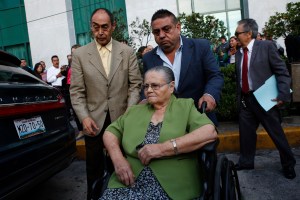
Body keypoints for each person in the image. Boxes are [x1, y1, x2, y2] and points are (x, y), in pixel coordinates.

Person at [100, 66, 217, 200]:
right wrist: (118, 160)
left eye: (155, 86)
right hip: (128, 181)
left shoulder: (185, 106)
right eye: (146, 86)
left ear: (171, 86)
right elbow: (110, 132)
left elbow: (209, 131)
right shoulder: (135, 110)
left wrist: (163, 148)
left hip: (173, 183)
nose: (149, 90)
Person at [69, 8, 142, 200]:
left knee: (121, 165)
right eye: (95, 27)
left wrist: (130, 113)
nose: (100, 32)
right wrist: (84, 117)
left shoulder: (127, 52)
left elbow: (135, 85)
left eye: (104, 27)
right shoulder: (80, 55)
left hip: (122, 120)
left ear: (113, 27)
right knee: (94, 168)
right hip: (93, 122)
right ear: (91, 28)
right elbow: (76, 91)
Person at [233, 18, 296, 179]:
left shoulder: (266, 46)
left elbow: (281, 71)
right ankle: (246, 161)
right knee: (246, 134)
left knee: (276, 134)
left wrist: (283, 94)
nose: (235, 36)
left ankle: (288, 164)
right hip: (246, 100)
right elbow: (240, 77)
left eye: (237, 33)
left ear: (248, 34)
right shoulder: (239, 53)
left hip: (266, 99)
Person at [143, 9, 224, 125]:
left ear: (178, 27)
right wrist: (144, 100)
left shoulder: (200, 47)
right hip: (165, 123)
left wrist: (209, 95)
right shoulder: (148, 58)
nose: (161, 35)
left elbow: (215, 75)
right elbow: (146, 87)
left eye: (166, 29)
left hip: (200, 117)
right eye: (156, 32)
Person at [66, 44, 84, 139]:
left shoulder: (86, 63)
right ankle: (81, 131)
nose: (74, 55)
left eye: (76, 52)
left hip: (84, 92)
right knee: (76, 112)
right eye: (73, 53)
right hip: (72, 91)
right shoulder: (71, 65)